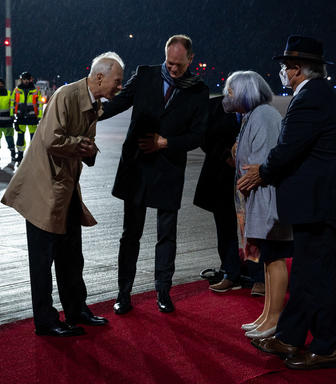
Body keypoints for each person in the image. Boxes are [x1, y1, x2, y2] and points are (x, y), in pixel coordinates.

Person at [237, 35, 336, 369]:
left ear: (299, 70)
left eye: (287, 67)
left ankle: (325, 346)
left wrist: (263, 171)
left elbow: (290, 149)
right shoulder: (320, 96)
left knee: (315, 279)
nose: (284, 73)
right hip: (318, 204)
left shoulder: (310, 99)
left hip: (319, 206)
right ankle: (290, 337)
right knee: (307, 275)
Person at [1, 52, 125, 337]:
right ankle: (45, 321)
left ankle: (76, 309)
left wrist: (89, 150)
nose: (119, 88)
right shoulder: (66, 96)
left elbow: (86, 148)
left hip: (65, 189)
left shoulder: (94, 105)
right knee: (42, 261)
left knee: (72, 255)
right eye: (117, 82)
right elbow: (51, 138)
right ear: (99, 77)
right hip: (43, 190)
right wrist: (83, 145)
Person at [100, 35, 209, 314]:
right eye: (169, 63)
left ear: (191, 60)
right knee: (130, 234)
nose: (172, 69)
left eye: (179, 65)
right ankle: (123, 293)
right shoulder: (146, 75)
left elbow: (198, 135)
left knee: (166, 236)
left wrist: (166, 142)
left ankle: (163, 291)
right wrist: (87, 111)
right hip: (136, 168)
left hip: (168, 170)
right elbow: (119, 103)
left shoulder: (198, 91)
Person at [221, 70, 292, 339]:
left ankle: (274, 318)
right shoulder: (252, 116)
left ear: (245, 92)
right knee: (266, 258)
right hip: (258, 199)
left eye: (231, 92)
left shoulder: (263, 115)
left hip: (268, 199)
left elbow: (260, 164)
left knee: (275, 258)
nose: (228, 98)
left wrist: (247, 173)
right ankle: (266, 315)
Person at [193, 95, 242, 292]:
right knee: (225, 226)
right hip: (220, 175)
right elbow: (203, 137)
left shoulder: (257, 110)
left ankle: (258, 277)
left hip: (249, 176)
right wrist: (225, 155)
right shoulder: (214, 106)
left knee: (252, 229)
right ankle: (231, 273)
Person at [10, 72, 43, 164]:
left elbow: (39, 104)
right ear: (21, 79)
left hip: (32, 117)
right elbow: (13, 103)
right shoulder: (16, 90)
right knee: (20, 138)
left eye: (27, 79)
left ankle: (33, 155)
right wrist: (12, 115)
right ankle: (20, 155)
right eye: (24, 79)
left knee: (33, 138)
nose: (26, 81)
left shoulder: (36, 90)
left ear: (30, 79)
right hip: (20, 117)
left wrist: (39, 117)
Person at [0, 78, 16, 161]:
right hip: (7, 121)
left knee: (9, 139)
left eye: (1, 84)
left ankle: (13, 153)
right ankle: (13, 153)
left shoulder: (10, 94)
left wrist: (12, 116)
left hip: (7, 121)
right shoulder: (9, 94)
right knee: (9, 138)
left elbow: (12, 106)